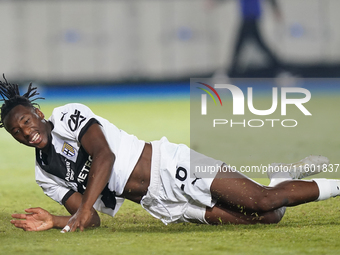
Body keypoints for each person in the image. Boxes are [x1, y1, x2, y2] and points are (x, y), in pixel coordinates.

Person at [1, 78, 339, 233]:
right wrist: (57, 220)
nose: (24, 131)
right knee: (268, 217)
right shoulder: (45, 174)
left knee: (263, 200)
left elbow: (104, 156)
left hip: (174, 163)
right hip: (163, 204)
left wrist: (84, 208)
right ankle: (283, 175)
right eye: (15, 131)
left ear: (38, 113)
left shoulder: (67, 116)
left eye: (25, 121)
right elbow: (90, 219)